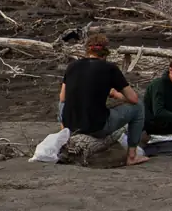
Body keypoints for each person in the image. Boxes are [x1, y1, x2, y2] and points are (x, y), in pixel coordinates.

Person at [60, 31, 149, 165]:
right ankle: (132, 156)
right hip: (97, 126)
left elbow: (62, 97)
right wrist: (115, 94)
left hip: (71, 124)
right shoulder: (110, 68)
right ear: (106, 52)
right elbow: (133, 99)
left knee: (62, 104)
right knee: (138, 107)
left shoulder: (72, 66)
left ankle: (65, 136)